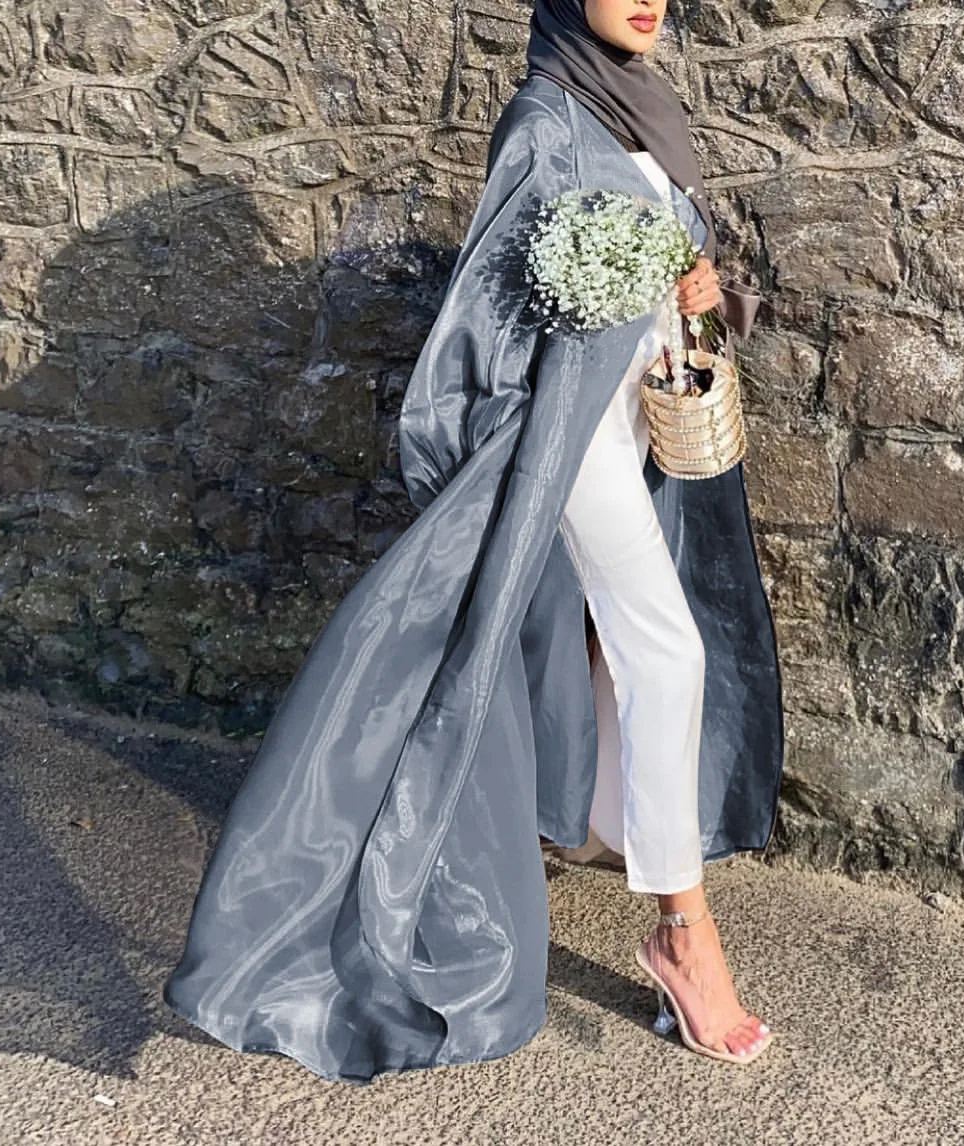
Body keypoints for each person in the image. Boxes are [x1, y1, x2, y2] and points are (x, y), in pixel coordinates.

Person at [162, 0, 784, 1083]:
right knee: (667, 649)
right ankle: (684, 935)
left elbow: (671, 268)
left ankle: (594, 823)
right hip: (573, 441)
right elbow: (486, 313)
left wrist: (699, 286)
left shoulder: (643, 105)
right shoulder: (545, 119)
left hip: (646, 421)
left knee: (606, 649)